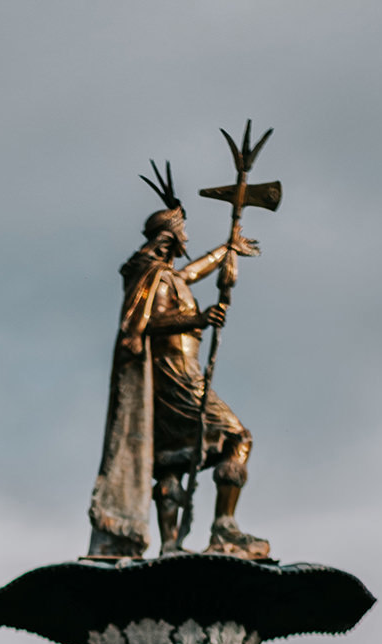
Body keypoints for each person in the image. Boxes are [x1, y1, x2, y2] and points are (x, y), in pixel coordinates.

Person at [87, 162, 268, 562]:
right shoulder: (150, 272)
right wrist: (198, 318)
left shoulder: (165, 275)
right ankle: (225, 528)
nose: (187, 233)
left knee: (169, 459)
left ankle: (171, 545)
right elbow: (143, 323)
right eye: (182, 227)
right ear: (171, 233)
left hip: (165, 379)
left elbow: (189, 273)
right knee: (237, 438)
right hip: (177, 375)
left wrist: (227, 249)